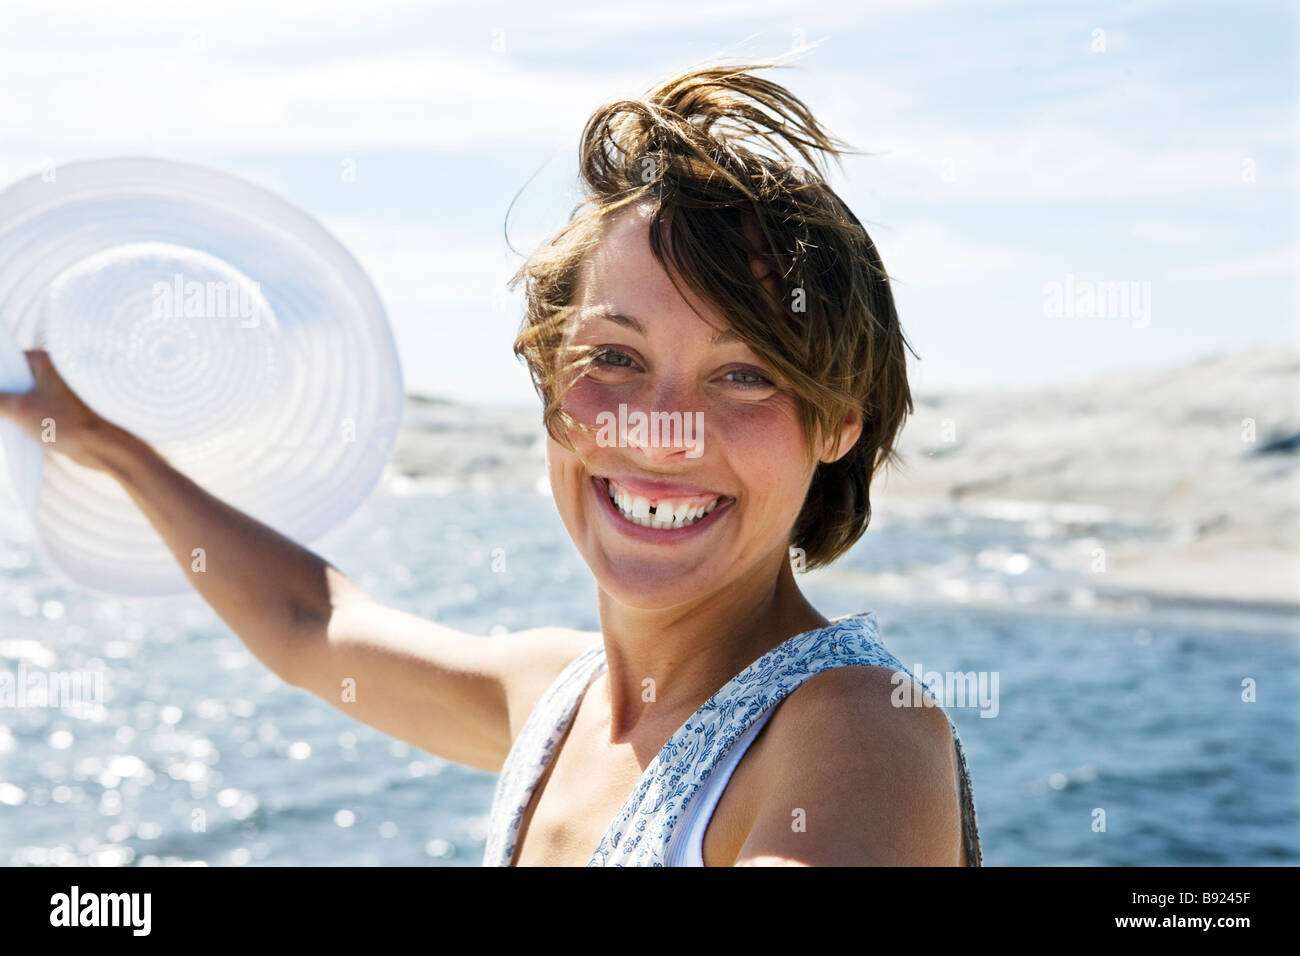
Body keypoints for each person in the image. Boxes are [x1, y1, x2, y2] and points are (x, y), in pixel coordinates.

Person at [0, 57, 982, 866]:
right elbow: (310, 622)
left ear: (839, 420)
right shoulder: (555, 699)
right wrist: (111, 448)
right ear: (551, 381)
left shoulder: (854, 730)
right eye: (614, 357)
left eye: (744, 373)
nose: (660, 428)